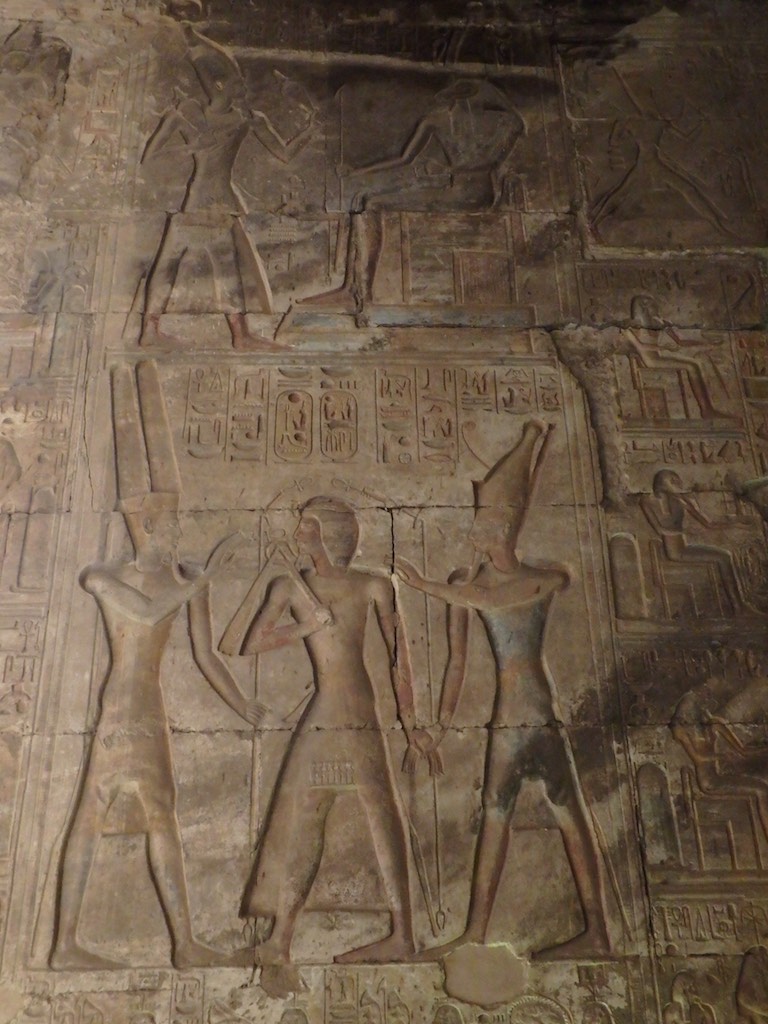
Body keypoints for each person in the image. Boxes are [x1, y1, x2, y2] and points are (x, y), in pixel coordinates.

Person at [51, 362, 263, 970]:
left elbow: (204, 654)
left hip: (151, 708)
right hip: (122, 706)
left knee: (158, 812)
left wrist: (242, 704)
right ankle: (67, 944)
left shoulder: (181, 578)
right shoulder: (104, 578)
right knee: (96, 811)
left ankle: (181, 942)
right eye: (170, 523)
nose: (177, 531)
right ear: (144, 525)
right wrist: (204, 579)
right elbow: (145, 612)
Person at [396, 419, 611, 959]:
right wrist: (439, 727)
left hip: (533, 714)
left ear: (505, 528)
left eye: (485, 524)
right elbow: (456, 664)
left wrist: (426, 585)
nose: (476, 534)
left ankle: (596, 932)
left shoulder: (529, 582)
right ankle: (477, 931)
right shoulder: (477, 586)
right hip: (509, 714)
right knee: (500, 813)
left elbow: (505, 595)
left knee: (558, 810)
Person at [235, 497, 427, 964]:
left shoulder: (373, 585)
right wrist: (306, 626)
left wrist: (412, 725)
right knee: (305, 817)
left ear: (329, 534)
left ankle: (403, 934)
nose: (298, 533)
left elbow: (399, 659)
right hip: (323, 711)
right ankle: (280, 939)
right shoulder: (290, 585)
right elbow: (251, 643)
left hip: (359, 710)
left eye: (306, 526)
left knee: (382, 814)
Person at [140, 29, 316, 347]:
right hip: (201, 202)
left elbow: (284, 154)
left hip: (216, 201)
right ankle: (229, 334)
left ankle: (225, 333)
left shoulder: (245, 119)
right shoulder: (186, 114)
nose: (243, 87)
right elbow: (151, 158)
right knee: (191, 264)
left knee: (208, 264)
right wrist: (192, 147)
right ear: (220, 85)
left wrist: (309, 130)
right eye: (237, 82)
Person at [304, 78, 523, 317]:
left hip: (473, 194)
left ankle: (363, 291)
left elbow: (489, 161)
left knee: (373, 203)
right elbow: (404, 158)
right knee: (365, 200)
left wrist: (448, 169)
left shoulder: (497, 123)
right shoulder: (443, 121)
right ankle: (352, 286)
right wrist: (357, 171)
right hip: (456, 187)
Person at [640, 468, 747, 614]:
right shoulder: (648, 501)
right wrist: (685, 531)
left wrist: (735, 524)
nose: (678, 486)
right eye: (674, 482)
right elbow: (659, 530)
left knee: (725, 555)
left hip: (683, 546)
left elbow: (709, 524)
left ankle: (738, 606)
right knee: (723, 557)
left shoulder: (682, 501)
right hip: (675, 552)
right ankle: (738, 607)